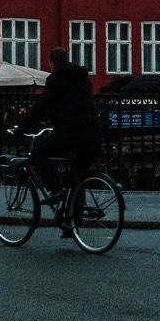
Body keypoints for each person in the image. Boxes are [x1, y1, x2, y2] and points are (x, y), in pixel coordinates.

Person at [15, 47, 101, 235]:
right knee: (76, 177)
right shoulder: (84, 79)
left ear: (52, 62)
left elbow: (41, 107)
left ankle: (54, 189)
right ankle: (72, 225)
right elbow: (74, 103)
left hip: (72, 132)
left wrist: (20, 129)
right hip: (93, 132)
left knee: (37, 153)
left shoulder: (55, 79)